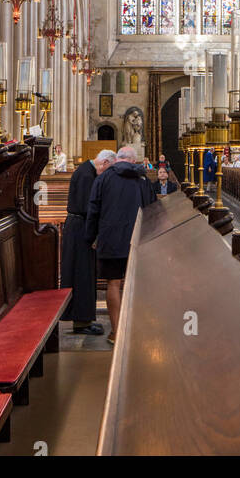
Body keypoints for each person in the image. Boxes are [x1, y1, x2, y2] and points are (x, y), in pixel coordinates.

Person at [85, 144, 155, 344]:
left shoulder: (104, 178)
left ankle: (116, 332)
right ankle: (136, 331)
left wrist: (90, 237)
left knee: (113, 284)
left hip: (110, 240)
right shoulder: (142, 179)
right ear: (133, 161)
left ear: (117, 159)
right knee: (136, 285)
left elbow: (94, 209)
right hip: (137, 239)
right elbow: (151, 210)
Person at [61, 149, 115, 335]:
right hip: (80, 230)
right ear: (105, 163)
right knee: (81, 275)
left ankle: (84, 320)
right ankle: (81, 321)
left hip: (80, 227)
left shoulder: (87, 171)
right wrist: (95, 234)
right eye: (108, 170)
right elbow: (89, 207)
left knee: (85, 274)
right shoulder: (86, 175)